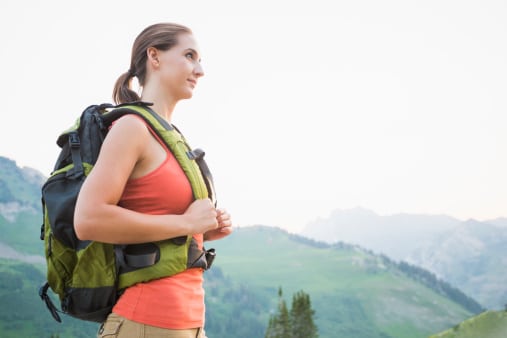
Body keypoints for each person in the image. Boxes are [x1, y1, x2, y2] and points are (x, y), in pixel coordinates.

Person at [74, 22, 233, 338]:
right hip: (144, 322)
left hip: (188, 323)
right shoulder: (132, 128)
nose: (199, 70)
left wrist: (201, 230)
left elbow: (158, 222)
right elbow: (88, 219)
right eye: (189, 55)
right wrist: (186, 224)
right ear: (154, 57)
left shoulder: (171, 137)